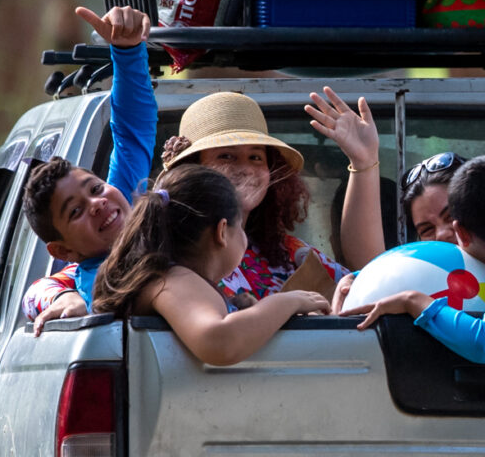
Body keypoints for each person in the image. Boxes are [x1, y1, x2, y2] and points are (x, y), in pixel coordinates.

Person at [92, 165, 331, 365]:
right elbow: (219, 342)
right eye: (241, 229)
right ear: (222, 232)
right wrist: (287, 301)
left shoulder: (170, 278)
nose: (244, 238)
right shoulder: (170, 279)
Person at [160, 88, 379, 303]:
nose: (245, 168)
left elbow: (370, 285)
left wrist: (364, 162)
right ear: (191, 169)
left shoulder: (288, 254)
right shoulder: (170, 256)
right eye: (226, 156)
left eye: (255, 157)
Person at [347, 156, 485, 365]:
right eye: (427, 229)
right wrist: (357, 279)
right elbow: (409, 267)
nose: (444, 234)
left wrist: (412, 301)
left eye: (452, 217)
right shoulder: (429, 269)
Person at [19, 4, 156, 331]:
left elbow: (131, 128)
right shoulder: (96, 286)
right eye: (75, 211)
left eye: (95, 189)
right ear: (64, 250)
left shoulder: (129, 202)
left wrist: (127, 51)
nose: (97, 204)